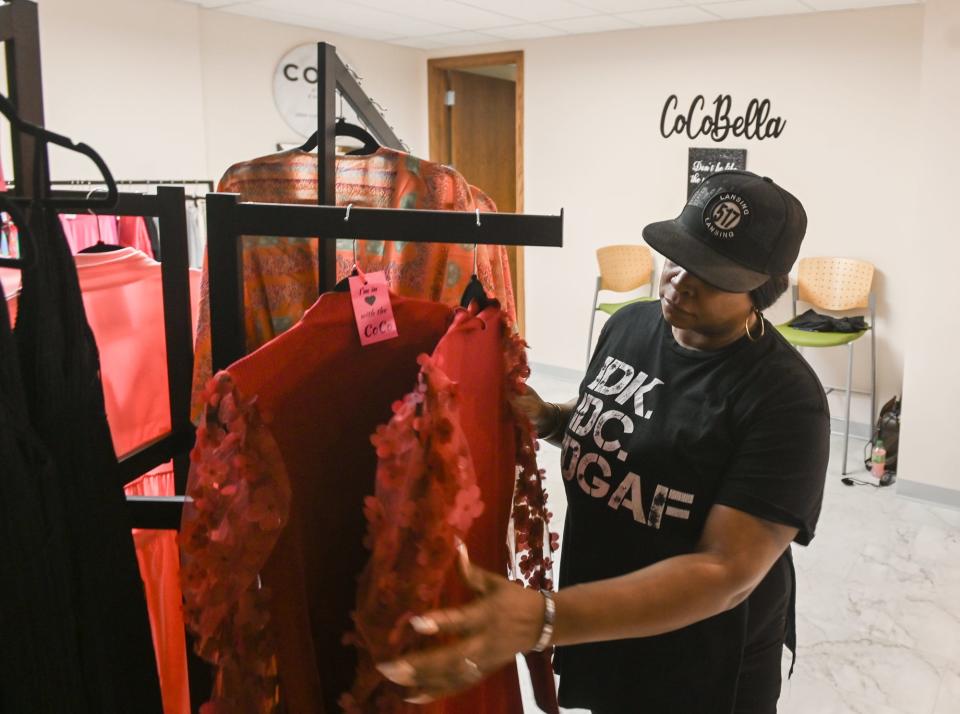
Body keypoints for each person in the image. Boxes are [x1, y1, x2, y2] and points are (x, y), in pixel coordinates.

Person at [376, 171, 830, 713]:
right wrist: (548, 418)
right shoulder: (631, 326)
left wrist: (543, 618)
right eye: (677, 255)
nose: (681, 280)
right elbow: (628, 428)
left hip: (697, 653)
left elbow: (725, 572)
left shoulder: (785, 398)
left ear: (762, 289)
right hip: (603, 610)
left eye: (712, 274)